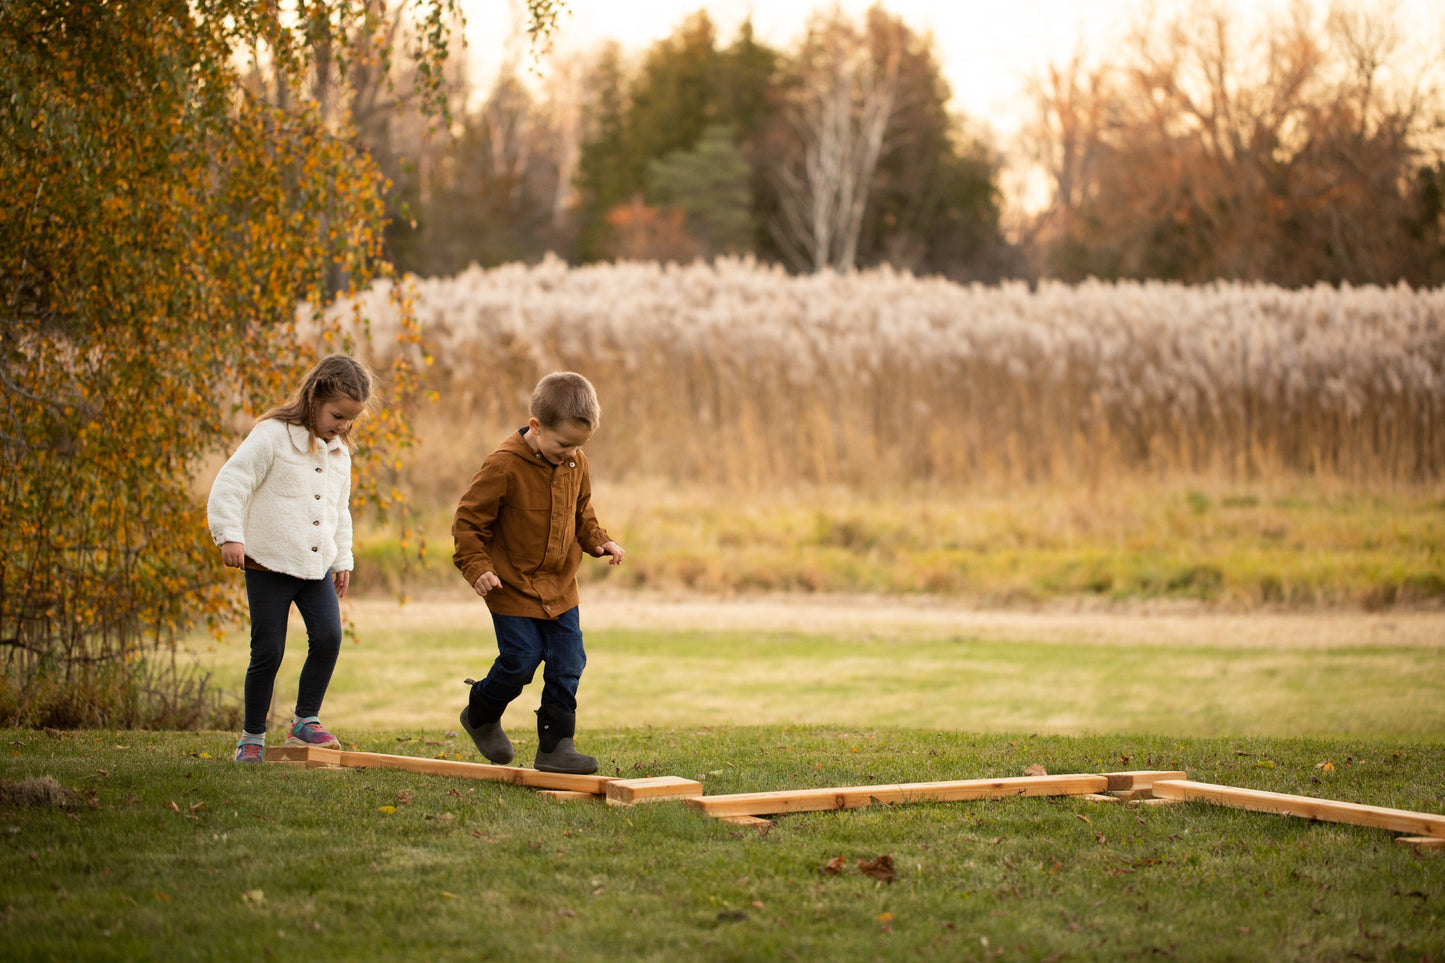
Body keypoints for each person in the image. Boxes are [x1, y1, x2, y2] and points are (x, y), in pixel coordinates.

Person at [452, 371, 625, 774]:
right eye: (563, 443)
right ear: (536, 426)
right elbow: (468, 523)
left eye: (579, 446)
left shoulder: (575, 462)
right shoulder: (503, 466)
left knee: (569, 662)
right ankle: (481, 713)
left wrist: (599, 540)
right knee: (521, 660)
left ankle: (556, 746)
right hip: (509, 584)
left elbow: (582, 512)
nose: (571, 453)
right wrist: (477, 567)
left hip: (560, 585)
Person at [207, 355, 374, 763]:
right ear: (315, 396)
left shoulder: (339, 453)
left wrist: (343, 559)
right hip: (267, 563)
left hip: (315, 568)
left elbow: (340, 509)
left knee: (330, 637)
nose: (342, 427)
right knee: (268, 650)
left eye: (350, 420)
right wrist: (229, 535)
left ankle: (305, 721)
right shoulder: (271, 436)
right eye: (337, 415)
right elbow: (232, 482)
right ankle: (251, 737)